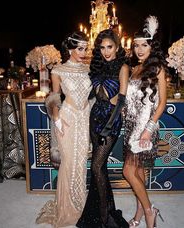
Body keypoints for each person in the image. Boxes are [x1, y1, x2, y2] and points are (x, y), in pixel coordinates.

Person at [35, 31, 92, 227]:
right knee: (68, 162)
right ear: (70, 49)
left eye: (86, 48)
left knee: (81, 161)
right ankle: (66, 209)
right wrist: (57, 117)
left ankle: (80, 205)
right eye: (80, 48)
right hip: (66, 119)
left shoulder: (89, 69)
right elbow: (54, 97)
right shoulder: (58, 70)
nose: (84, 52)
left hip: (84, 119)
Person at [76, 29, 129, 228]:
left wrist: (108, 128)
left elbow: (121, 101)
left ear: (117, 47)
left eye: (110, 47)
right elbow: (90, 94)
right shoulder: (97, 67)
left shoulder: (122, 67)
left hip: (111, 121)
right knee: (102, 167)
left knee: (96, 165)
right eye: (103, 47)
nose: (106, 51)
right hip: (95, 118)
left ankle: (105, 217)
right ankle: (99, 210)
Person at [122, 16, 168, 228]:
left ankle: (150, 211)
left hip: (145, 128)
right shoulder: (136, 68)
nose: (139, 49)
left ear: (152, 46)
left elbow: (162, 104)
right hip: (131, 126)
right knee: (138, 173)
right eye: (136, 45)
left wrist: (149, 130)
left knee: (128, 172)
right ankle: (140, 212)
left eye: (144, 45)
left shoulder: (158, 68)